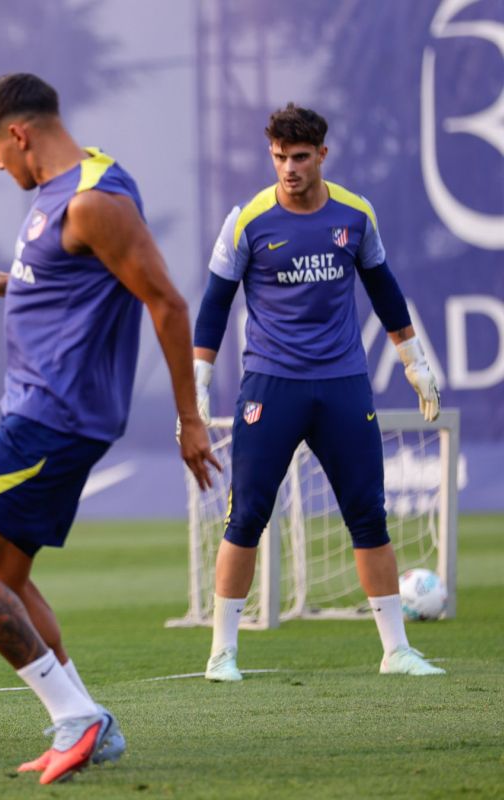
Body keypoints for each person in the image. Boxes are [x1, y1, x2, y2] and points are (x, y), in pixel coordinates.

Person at [0, 73, 220, 785]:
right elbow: (82, 282)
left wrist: (189, 418)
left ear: (19, 134)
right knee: (7, 575)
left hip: (50, 418)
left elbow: (168, 304)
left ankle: (76, 717)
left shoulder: (93, 201)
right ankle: (91, 724)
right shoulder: (73, 190)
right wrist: (12, 282)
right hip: (46, 411)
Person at [190, 103, 444, 682]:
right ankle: (222, 653)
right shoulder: (247, 220)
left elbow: (384, 290)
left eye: (300, 157)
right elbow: (213, 306)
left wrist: (415, 362)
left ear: (321, 155)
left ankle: (396, 651)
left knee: (367, 514)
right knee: (246, 513)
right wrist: (199, 382)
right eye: (279, 157)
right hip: (271, 385)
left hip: (342, 384)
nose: (289, 168)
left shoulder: (355, 215)